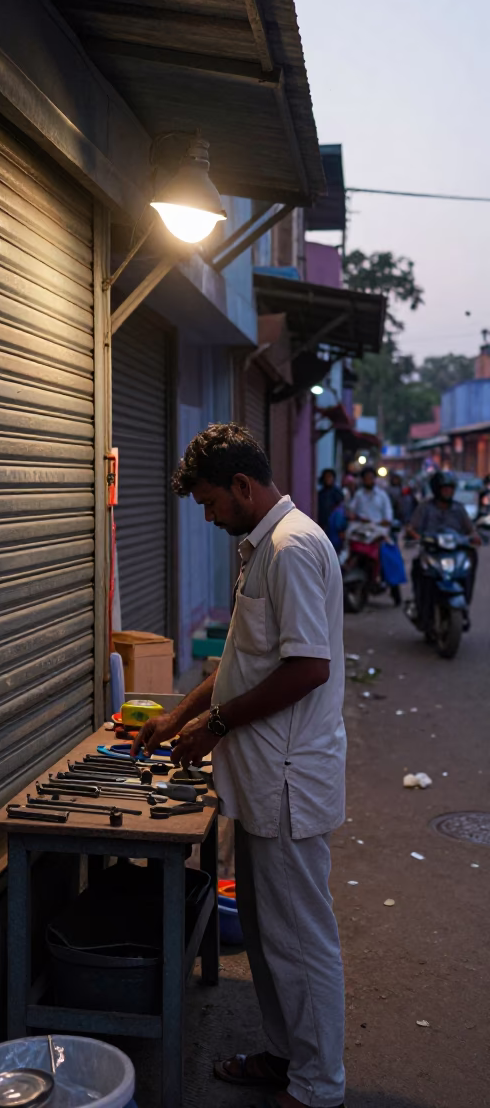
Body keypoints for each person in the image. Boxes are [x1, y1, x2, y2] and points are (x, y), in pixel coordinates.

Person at [132, 423, 346, 1108]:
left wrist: (216, 725)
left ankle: (317, 1085)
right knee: (266, 931)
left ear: (243, 487)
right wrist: (180, 714)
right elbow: (239, 663)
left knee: (299, 938)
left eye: (211, 503)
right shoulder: (263, 549)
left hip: (288, 781)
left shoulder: (291, 548)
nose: (208, 515)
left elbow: (309, 667)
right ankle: (285, 1058)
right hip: (262, 781)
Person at [406, 469, 481, 611]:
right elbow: (411, 528)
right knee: (418, 567)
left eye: (450, 489)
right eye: (445, 489)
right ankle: (419, 602)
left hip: (454, 550)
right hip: (432, 550)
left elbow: (470, 529)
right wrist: (418, 538)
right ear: (437, 490)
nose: (448, 492)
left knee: (471, 560)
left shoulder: (459, 509)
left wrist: (474, 537)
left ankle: (466, 599)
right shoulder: (425, 507)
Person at [350, 465, 404, 602]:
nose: (368, 480)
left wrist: (384, 522)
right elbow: (351, 510)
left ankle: (392, 586)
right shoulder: (359, 495)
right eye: (366, 478)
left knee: (388, 556)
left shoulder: (382, 496)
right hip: (362, 530)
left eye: (371, 478)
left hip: (379, 531)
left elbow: (388, 517)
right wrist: (354, 516)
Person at [317, 468, 344, 536]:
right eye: (326, 477)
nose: (328, 479)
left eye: (330, 476)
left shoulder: (338, 492)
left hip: (335, 526)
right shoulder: (320, 493)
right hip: (323, 523)